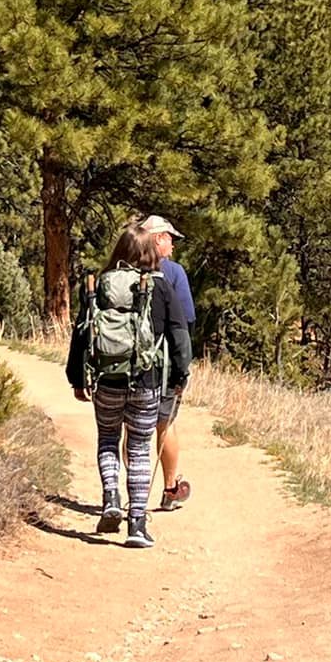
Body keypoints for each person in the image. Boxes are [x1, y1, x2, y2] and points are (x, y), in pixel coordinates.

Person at [67, 222, 191, 548]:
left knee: (108, 439)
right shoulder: (161, 287)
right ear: (149, 251)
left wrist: (77, 378)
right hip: (146, 381)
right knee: (138, 448)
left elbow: (82, 333)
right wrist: (180, 375)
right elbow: (179, 335)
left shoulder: (97, 285)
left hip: (106, 379)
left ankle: (110, 497)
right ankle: (136, 524)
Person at [140, 214, 195, 510]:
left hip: (128, 364)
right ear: (158, 239)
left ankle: (130, 490)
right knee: (165, 423)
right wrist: (182, 366)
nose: (173, 246)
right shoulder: (173, 273)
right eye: (170, 239)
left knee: (133, 427)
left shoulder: (125, 270)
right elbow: (186, 322)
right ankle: (170, 489)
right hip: (162, 366)